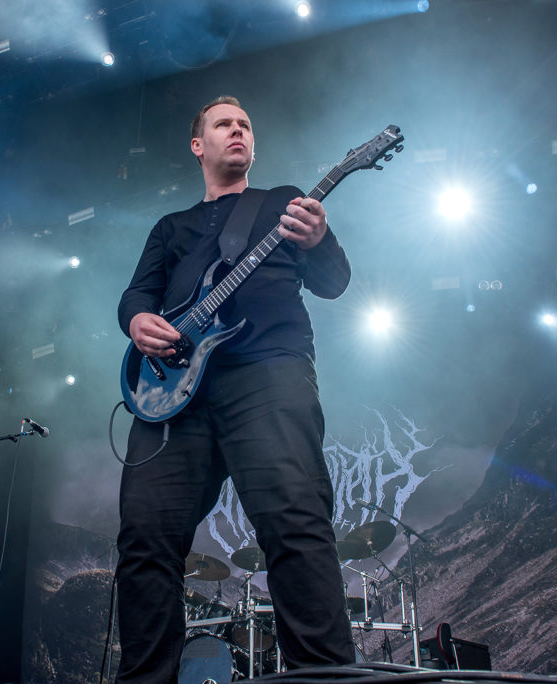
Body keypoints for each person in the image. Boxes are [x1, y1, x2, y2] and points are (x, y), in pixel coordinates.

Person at [115, 95, 355, 682]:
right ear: (199, 145)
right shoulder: (170, 228)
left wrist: (318, 239)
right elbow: (137, 296)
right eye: (224, 124)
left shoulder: (282, 204)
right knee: (145, 543)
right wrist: (136, 322)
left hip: (268, 373)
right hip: (172, 394)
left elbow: (334, 282)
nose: (238, 130)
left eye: (246, 124)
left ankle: (323, 677)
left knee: (294, 526)